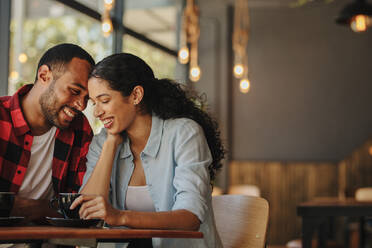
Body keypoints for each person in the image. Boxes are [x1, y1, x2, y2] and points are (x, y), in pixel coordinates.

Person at [71, 53, 225, 248]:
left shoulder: (184, 133)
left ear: (136, 95)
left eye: (104, 100)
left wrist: (120, 217)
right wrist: (110, 144)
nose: (97, 112)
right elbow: (86, 213)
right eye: (94, 103)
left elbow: (190, 218)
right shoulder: (103, 142)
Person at [0, 43, 95, 222]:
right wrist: (52, 207)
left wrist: (18, 206)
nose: (81, 105)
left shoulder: (80, 128)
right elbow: (65, 208)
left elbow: (79, 208)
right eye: (75, 91)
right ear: (44, 75)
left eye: (86, 98)